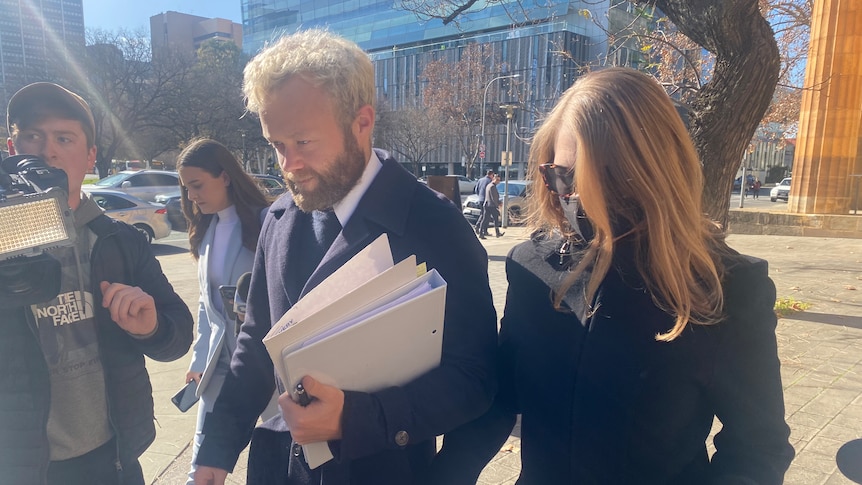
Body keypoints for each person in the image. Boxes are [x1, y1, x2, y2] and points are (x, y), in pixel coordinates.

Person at [193, 29, 498, 485]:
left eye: (303, 142)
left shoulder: (436, 226)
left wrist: (357, 418)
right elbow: (255, 345)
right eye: (277, 145)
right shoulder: (278, 218)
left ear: (362, 122)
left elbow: (475, 379)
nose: (289, 164)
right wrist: (215, 449)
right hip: (277, 467)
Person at [470, 68, 795, 483]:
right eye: (560, 175)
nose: (574, 197)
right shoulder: (529, 265)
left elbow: (758, 446)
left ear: (651, 173)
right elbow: (501, 399)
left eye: (596, 179)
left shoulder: (725, 285)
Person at [1, 82, 194, 484]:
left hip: (115, 459)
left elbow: (178, 334)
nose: (48, 150)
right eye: (32, 136)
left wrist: (151, 327)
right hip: (22, 467)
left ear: (90, 157)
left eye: (64, 138)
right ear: (12, 149)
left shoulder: (118, 240)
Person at [176, 138, 272, 484]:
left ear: (226, 176)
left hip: (263, 364)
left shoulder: (266, 224)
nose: (192, 196)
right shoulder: (205, 232)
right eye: (187, 189)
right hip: (218, 363)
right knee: (203, 462)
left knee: (280, 454)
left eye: (198, 185)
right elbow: (206, 305)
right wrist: (199, 360)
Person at [479, 174, 504, 239]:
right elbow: (494, 198)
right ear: (494, 179)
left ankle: (481, 233)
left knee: (485, 219)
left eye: (499, 180)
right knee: (495, 219)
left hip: (487, 204)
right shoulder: (492, 186)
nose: (498, 181)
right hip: (491, 205)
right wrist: (498, 204)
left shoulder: (489, 185)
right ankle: (497, 233)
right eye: (497, 180)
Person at [473, 169, 494, 234]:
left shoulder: (480, 180)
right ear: (491, 175)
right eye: (493, 175)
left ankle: (478, 227)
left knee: (483, 214)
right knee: (486, 216)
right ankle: (484, 230)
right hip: (486, 200)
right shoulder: (490, 181)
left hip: (480, 199)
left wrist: (480, 196)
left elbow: (476, 189)